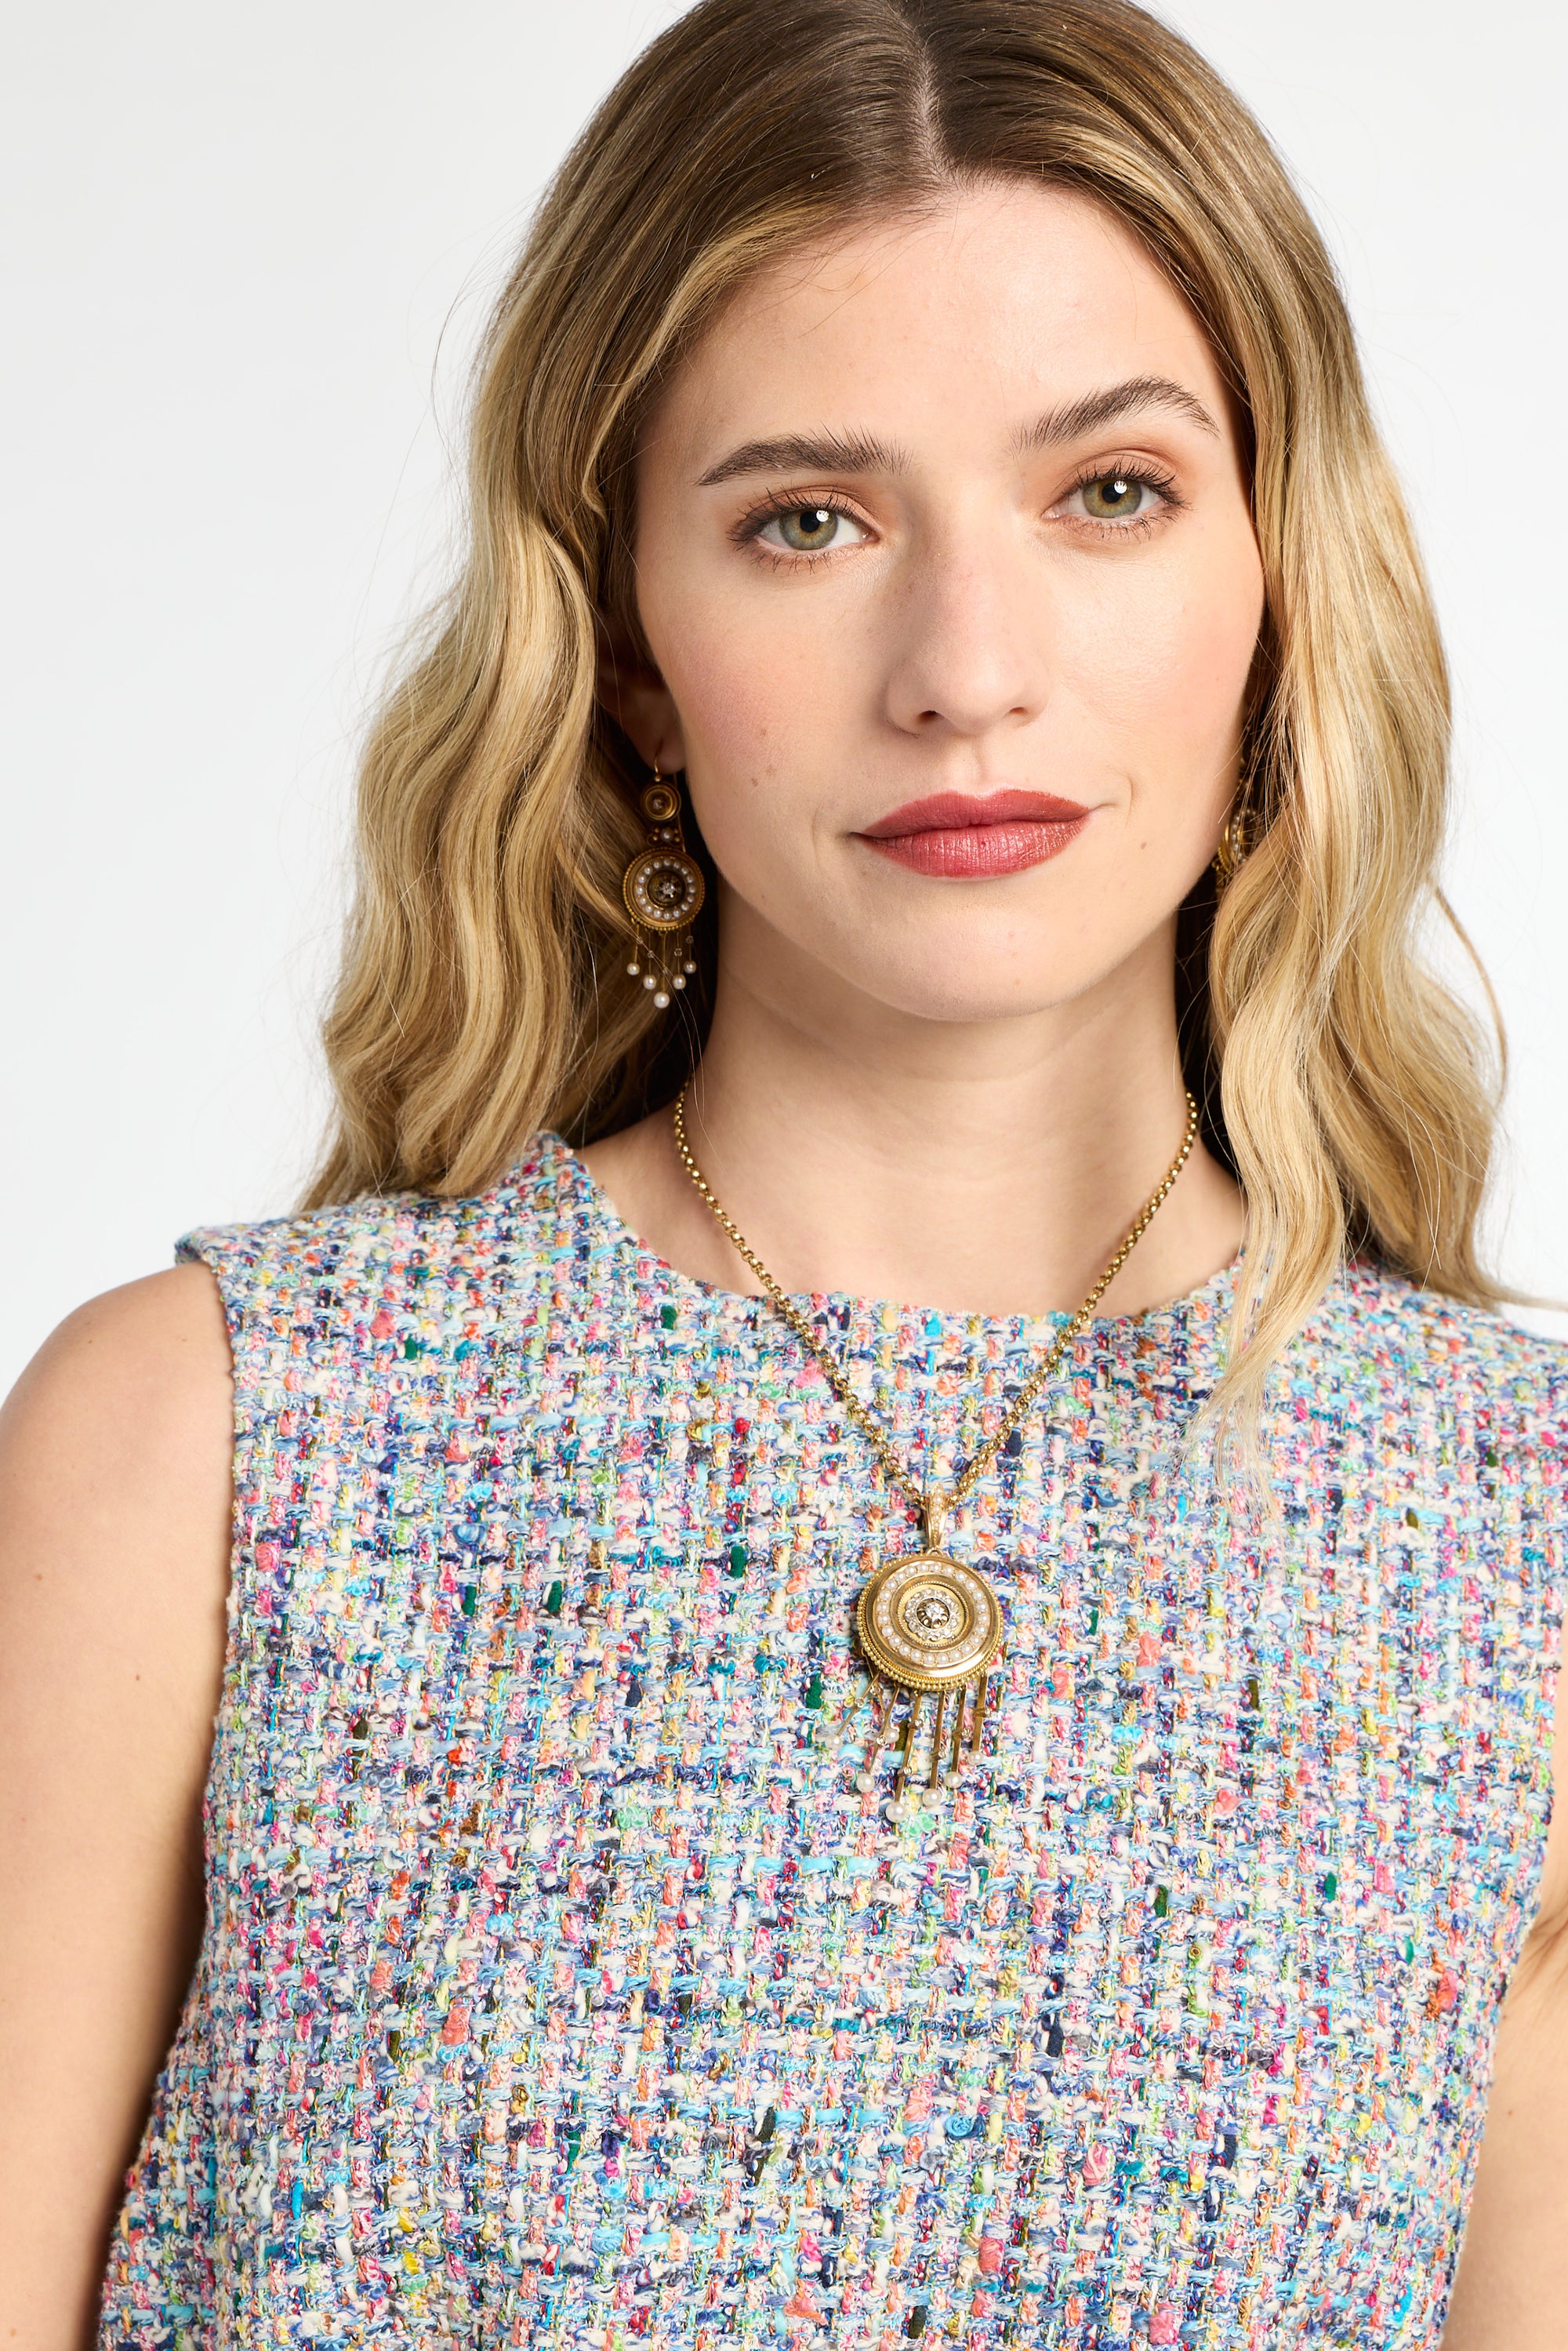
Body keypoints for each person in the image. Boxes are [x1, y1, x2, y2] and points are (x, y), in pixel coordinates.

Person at [1, 0, 1563, 2344]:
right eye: (806, 520)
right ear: (630, 644)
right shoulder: (209, 1440)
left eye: (1108, 493)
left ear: (1277, 578)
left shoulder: (1515, 1536)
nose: (964, 666)